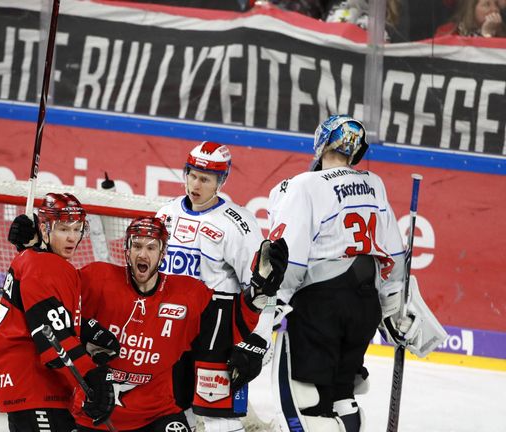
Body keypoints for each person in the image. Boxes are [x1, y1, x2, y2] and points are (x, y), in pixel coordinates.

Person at [266, 115, 415, 431]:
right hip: (364, 304)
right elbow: (394, 252)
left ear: (321, 142)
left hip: (321, 302)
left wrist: (274, 304)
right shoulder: (374, 183)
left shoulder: (304, 184)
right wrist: (391, 303)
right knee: (342, 393)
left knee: (308, 400)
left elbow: (290, 254)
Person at [74, 216, 287, 431]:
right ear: (126, 250)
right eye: (136, 245)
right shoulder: (97, 279)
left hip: (157, 413)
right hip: (95, 412)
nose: (143, 254)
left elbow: (229, 317)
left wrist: (259, 291)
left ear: (163, 252)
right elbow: (53, 300)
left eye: (151, 247)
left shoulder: (187, 294)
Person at [155, 141, 268, 432]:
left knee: (220, 417)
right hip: (171, 324)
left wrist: (255, 342)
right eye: (192, 174)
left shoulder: (238, 224)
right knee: (175, 411)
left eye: (205, 179)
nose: (196, 183)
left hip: (217, 326)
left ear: (221, 180)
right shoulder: (166, 214)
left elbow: (262, 288)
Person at [0, 193, 116, 432]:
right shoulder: (45, 266)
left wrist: (84, 328)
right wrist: (90, 376)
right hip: (35, 383)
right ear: (45, 229)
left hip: (24, 381)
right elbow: (52, 339)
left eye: (77, 229)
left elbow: (45, 316)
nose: (72, 238)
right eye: (64, 229)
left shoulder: (34, 258)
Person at [436, 0, 506, 37]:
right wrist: (486, 35)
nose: (495, 9)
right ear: (471, 9)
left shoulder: (502, 33)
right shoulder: (447, 31)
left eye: (496, 4)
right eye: (487, 4)